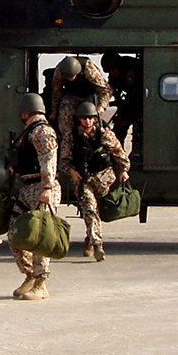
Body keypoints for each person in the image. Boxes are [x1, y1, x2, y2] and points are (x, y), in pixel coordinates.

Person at [64, 100, 130, 262]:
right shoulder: (71, 137)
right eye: (83, 118)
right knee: (90, 209)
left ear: (95, 119)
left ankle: (89, 240)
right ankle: (97, 245)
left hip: (103, 178)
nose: (87, 121)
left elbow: (119, 152)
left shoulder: (104, 135)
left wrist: (123, 170)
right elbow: (63, 160)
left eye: (90, 118)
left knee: (94, 211)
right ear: (78, 119)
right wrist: (71, 172)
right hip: (83, 179)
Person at [8, 92, 59, 300]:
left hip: (41, 188)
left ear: (26, 111)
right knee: (15, 231)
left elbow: (49, 161)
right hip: (28, 188)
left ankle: (41, 284)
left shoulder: (42, 132)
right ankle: (29, 275)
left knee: (40, 238)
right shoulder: (27, 133)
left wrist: (47, 188)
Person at [49, 56, 112, 170]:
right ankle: (66, 154)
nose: (70, 79)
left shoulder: (89, 69)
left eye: (72, 77)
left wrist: (101, 107)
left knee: (90, 122)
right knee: (64, 117)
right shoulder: (60, 71)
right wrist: (54, 109)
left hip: (88, 96)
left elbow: (105, 90)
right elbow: (56, 91)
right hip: (71, 96)